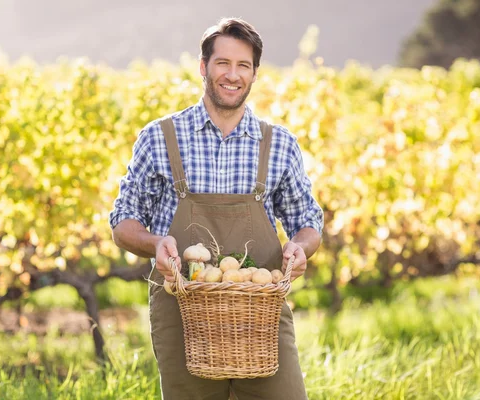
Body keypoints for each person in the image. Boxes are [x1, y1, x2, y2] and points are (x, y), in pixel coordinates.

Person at [110, 17, 323, 400]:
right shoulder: (159, 138)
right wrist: (156, 243)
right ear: (203, 67)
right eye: (223, 63)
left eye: (243, 66)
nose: (232, 75)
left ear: (255, 73)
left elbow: (308, 223)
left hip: (260, 316)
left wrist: (300, 248)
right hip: (182, 312)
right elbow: (122, 222)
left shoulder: (280, 145)